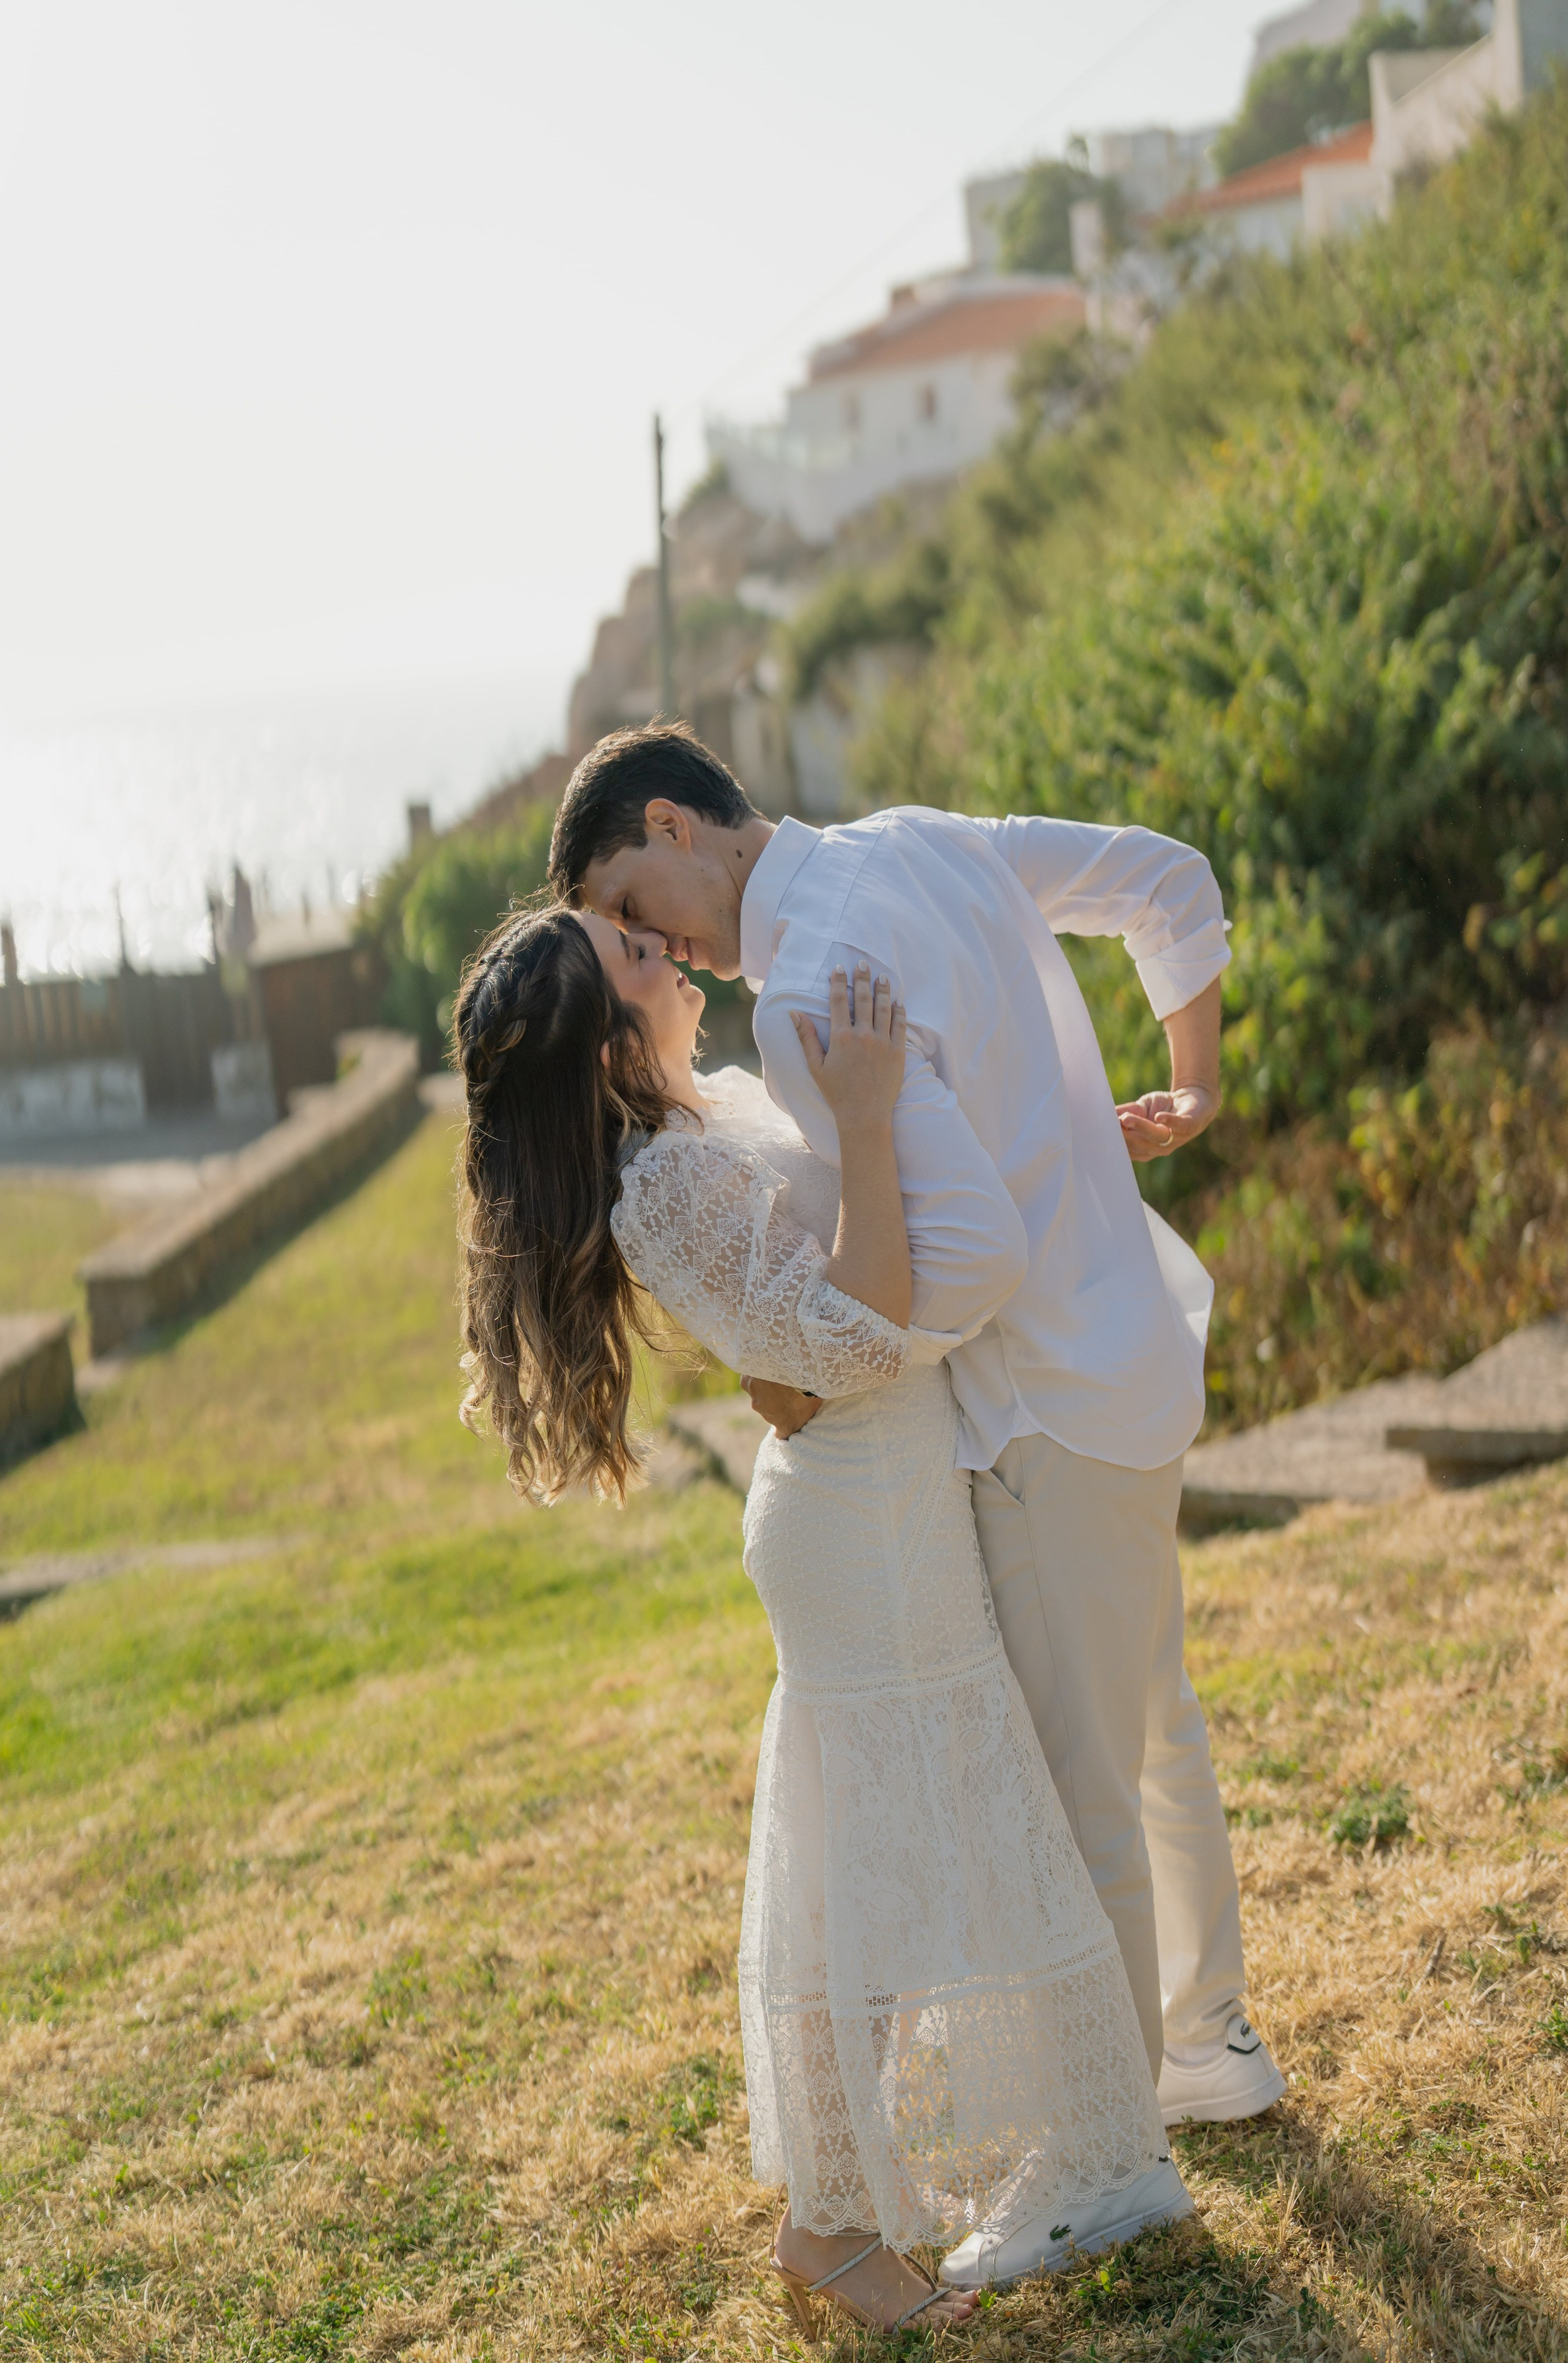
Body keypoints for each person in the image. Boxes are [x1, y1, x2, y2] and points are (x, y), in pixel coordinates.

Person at [552, 728, 1287, 2272]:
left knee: (1079, 1786)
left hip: (1042, 1403)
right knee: (1152, 1718)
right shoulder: (917, 836)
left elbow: (968, 1259)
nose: (652, 942)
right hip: (1129, 1346)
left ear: (673, 822)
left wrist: (829, 1366)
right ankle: (1206, 2043)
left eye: (631, 900)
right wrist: (1197, 1081)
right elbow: (1163, 878)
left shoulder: (810, 992)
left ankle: (1107, 2166)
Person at [453, 902, 1190, 2337]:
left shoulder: (709, 1112)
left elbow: (850, 1270)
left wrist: (1042, 1150)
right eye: (637, 958)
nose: (669, 954)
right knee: (872, 1879)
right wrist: (855, 1115)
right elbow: (855, 1331)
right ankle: (834, 2223)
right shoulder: (660, 1179)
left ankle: (834, 2213)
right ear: (611, 1048)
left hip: (874, 1495)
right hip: (863, 1528)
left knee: (877, 1867)